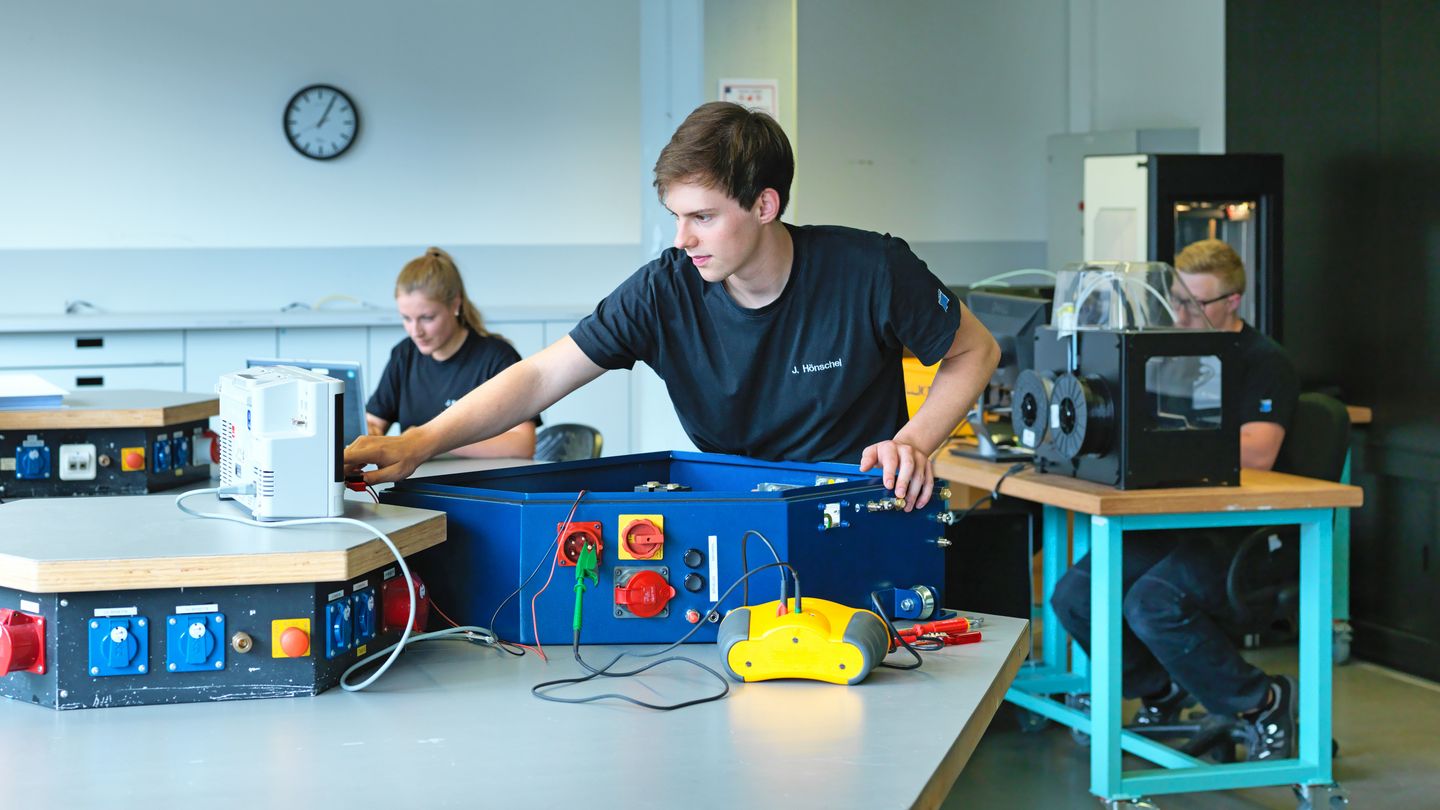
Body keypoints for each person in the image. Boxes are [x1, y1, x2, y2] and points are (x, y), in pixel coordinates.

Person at [347, 102, 1000, 508]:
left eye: (703, 217)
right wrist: (421, 443)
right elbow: (543, 376)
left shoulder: (870, 270)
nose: (683, 239)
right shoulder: (665, 290)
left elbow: (977, 349)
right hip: (730, 509)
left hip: (855, 505)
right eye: (675, 217)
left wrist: (914, 440)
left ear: (765, 205)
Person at [1050, 239, 1302, 760]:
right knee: (1076, 595)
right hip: (1175, 516)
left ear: (1232, 302)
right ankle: (1161, 688)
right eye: (1177, 302)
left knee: (1152, 602)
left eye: (1195, 304)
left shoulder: (1263, 362)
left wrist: (1165, 440)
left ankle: (1262, 700)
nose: (1182, 314)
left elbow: (1258, 451)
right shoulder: (1173, 354)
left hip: (1241, 527)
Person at [365, 247, 539, 459]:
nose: (415, 331)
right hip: (416, 483)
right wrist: (368, 431)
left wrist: (429, 440)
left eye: (427, 318)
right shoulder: (404, 354)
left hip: (479, 486)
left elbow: (522, 445)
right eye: (406, 318)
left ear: (455, 304)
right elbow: (374, 421)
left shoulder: (497, 358)